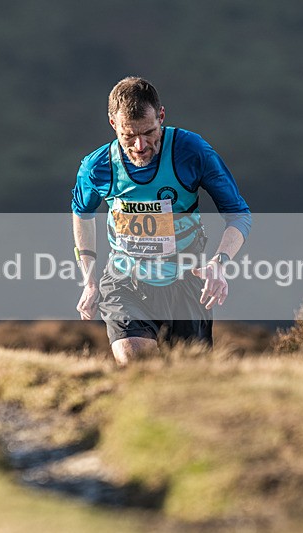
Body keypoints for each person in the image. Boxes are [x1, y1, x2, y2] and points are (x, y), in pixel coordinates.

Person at [71, 76, 251, 366]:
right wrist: (90, 281)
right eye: (129, 136)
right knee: (135, 360)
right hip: (123, 281)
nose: (140, 146)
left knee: (190, 381)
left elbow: (238, 214)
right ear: (113, 124)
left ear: (162, 117)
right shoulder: (97, 167)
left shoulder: (191, 152)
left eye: (149, 132)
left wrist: (219, 263)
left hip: (187, 282)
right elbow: (82, 213)